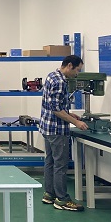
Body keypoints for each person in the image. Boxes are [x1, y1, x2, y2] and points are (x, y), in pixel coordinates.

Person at [39, 54, 88, 212]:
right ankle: (62, 199)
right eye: (77, 70)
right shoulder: (60, 82)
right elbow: (56, 110)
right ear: (69, 66)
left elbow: (54, 105)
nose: (77, 74)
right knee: (60, 165)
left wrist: (69, 113)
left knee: (50, 162)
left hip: (47, 127)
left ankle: (49, 194)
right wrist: (76, 122)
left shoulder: (51, 75)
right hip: (57, 130)